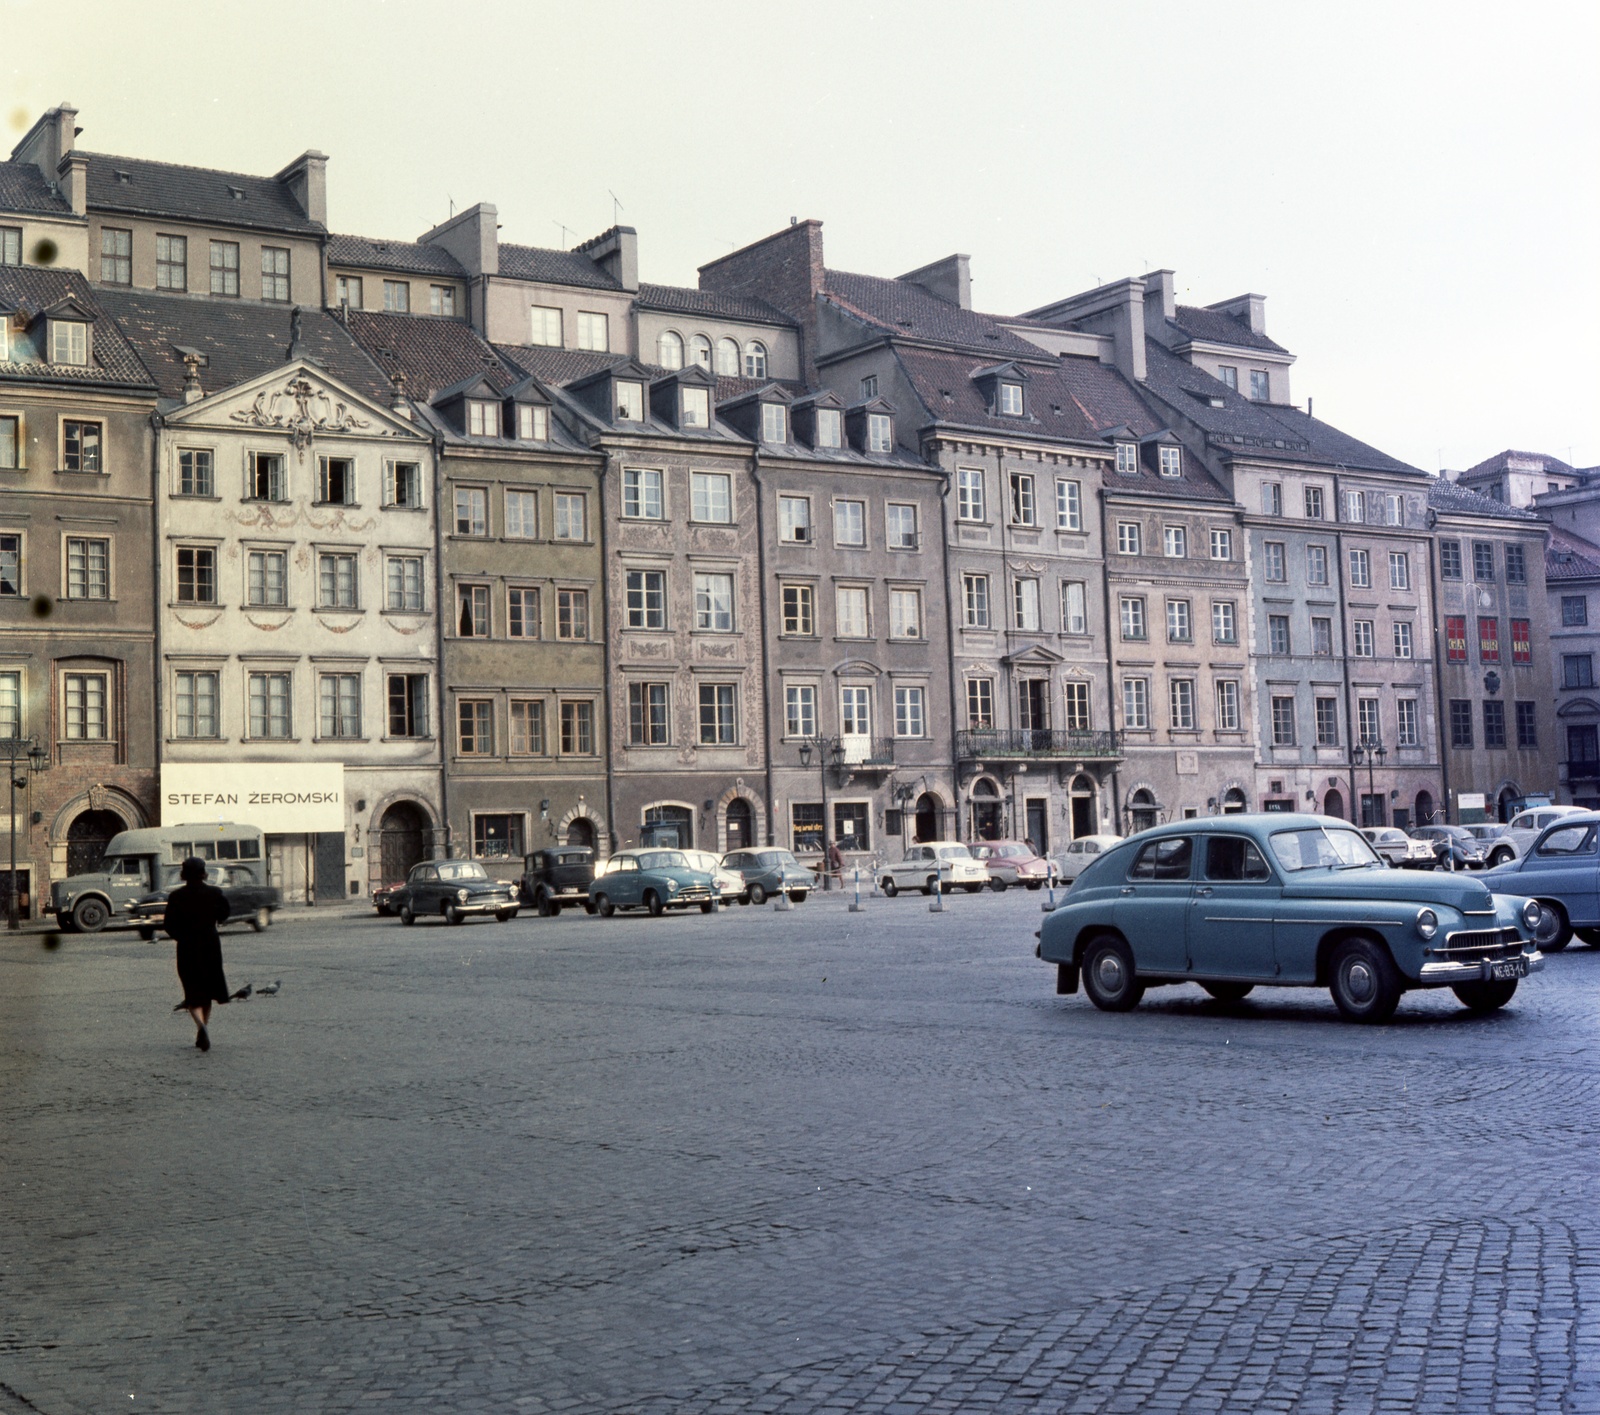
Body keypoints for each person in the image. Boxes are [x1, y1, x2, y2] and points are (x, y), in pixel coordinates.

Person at [164, 857, 232, 1051]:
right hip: (210, 945)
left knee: (192, 991)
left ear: (183, 875)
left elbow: (168, 925)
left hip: (187, 947)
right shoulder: (214, 893)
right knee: (208, 991)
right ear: (204, 873)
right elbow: (224, 914)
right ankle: (203, 1028)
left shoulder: (176, 896)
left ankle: (200, 1027)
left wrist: (181, 937)